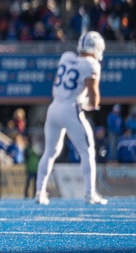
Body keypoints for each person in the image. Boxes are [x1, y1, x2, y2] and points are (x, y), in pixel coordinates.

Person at [35, 32, 108, 205]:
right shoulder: (90, 64)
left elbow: (55, 83)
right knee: (87, 150)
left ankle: (39, 192)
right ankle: (90, 194)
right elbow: (94, 97)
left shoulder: (67, 57)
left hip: (54, 107)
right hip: (70, 108)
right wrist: (87, 105)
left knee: (49, 152)